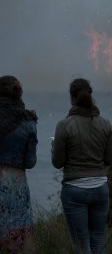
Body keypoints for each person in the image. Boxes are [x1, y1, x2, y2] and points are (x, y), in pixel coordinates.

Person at [52, 78, 112, 254]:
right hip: (100, 188)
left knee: (81, 245)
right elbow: (109, 159)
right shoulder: (105, 124)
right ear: (91, 96)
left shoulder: (64, 125)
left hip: (75, 189)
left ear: (72, 98)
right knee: (98, 240)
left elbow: (57, 163)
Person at [0, 75, 37, 254]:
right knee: (19, 234)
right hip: (16, 184)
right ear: (19, 94)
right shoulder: (29, 122)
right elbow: (30, 162)